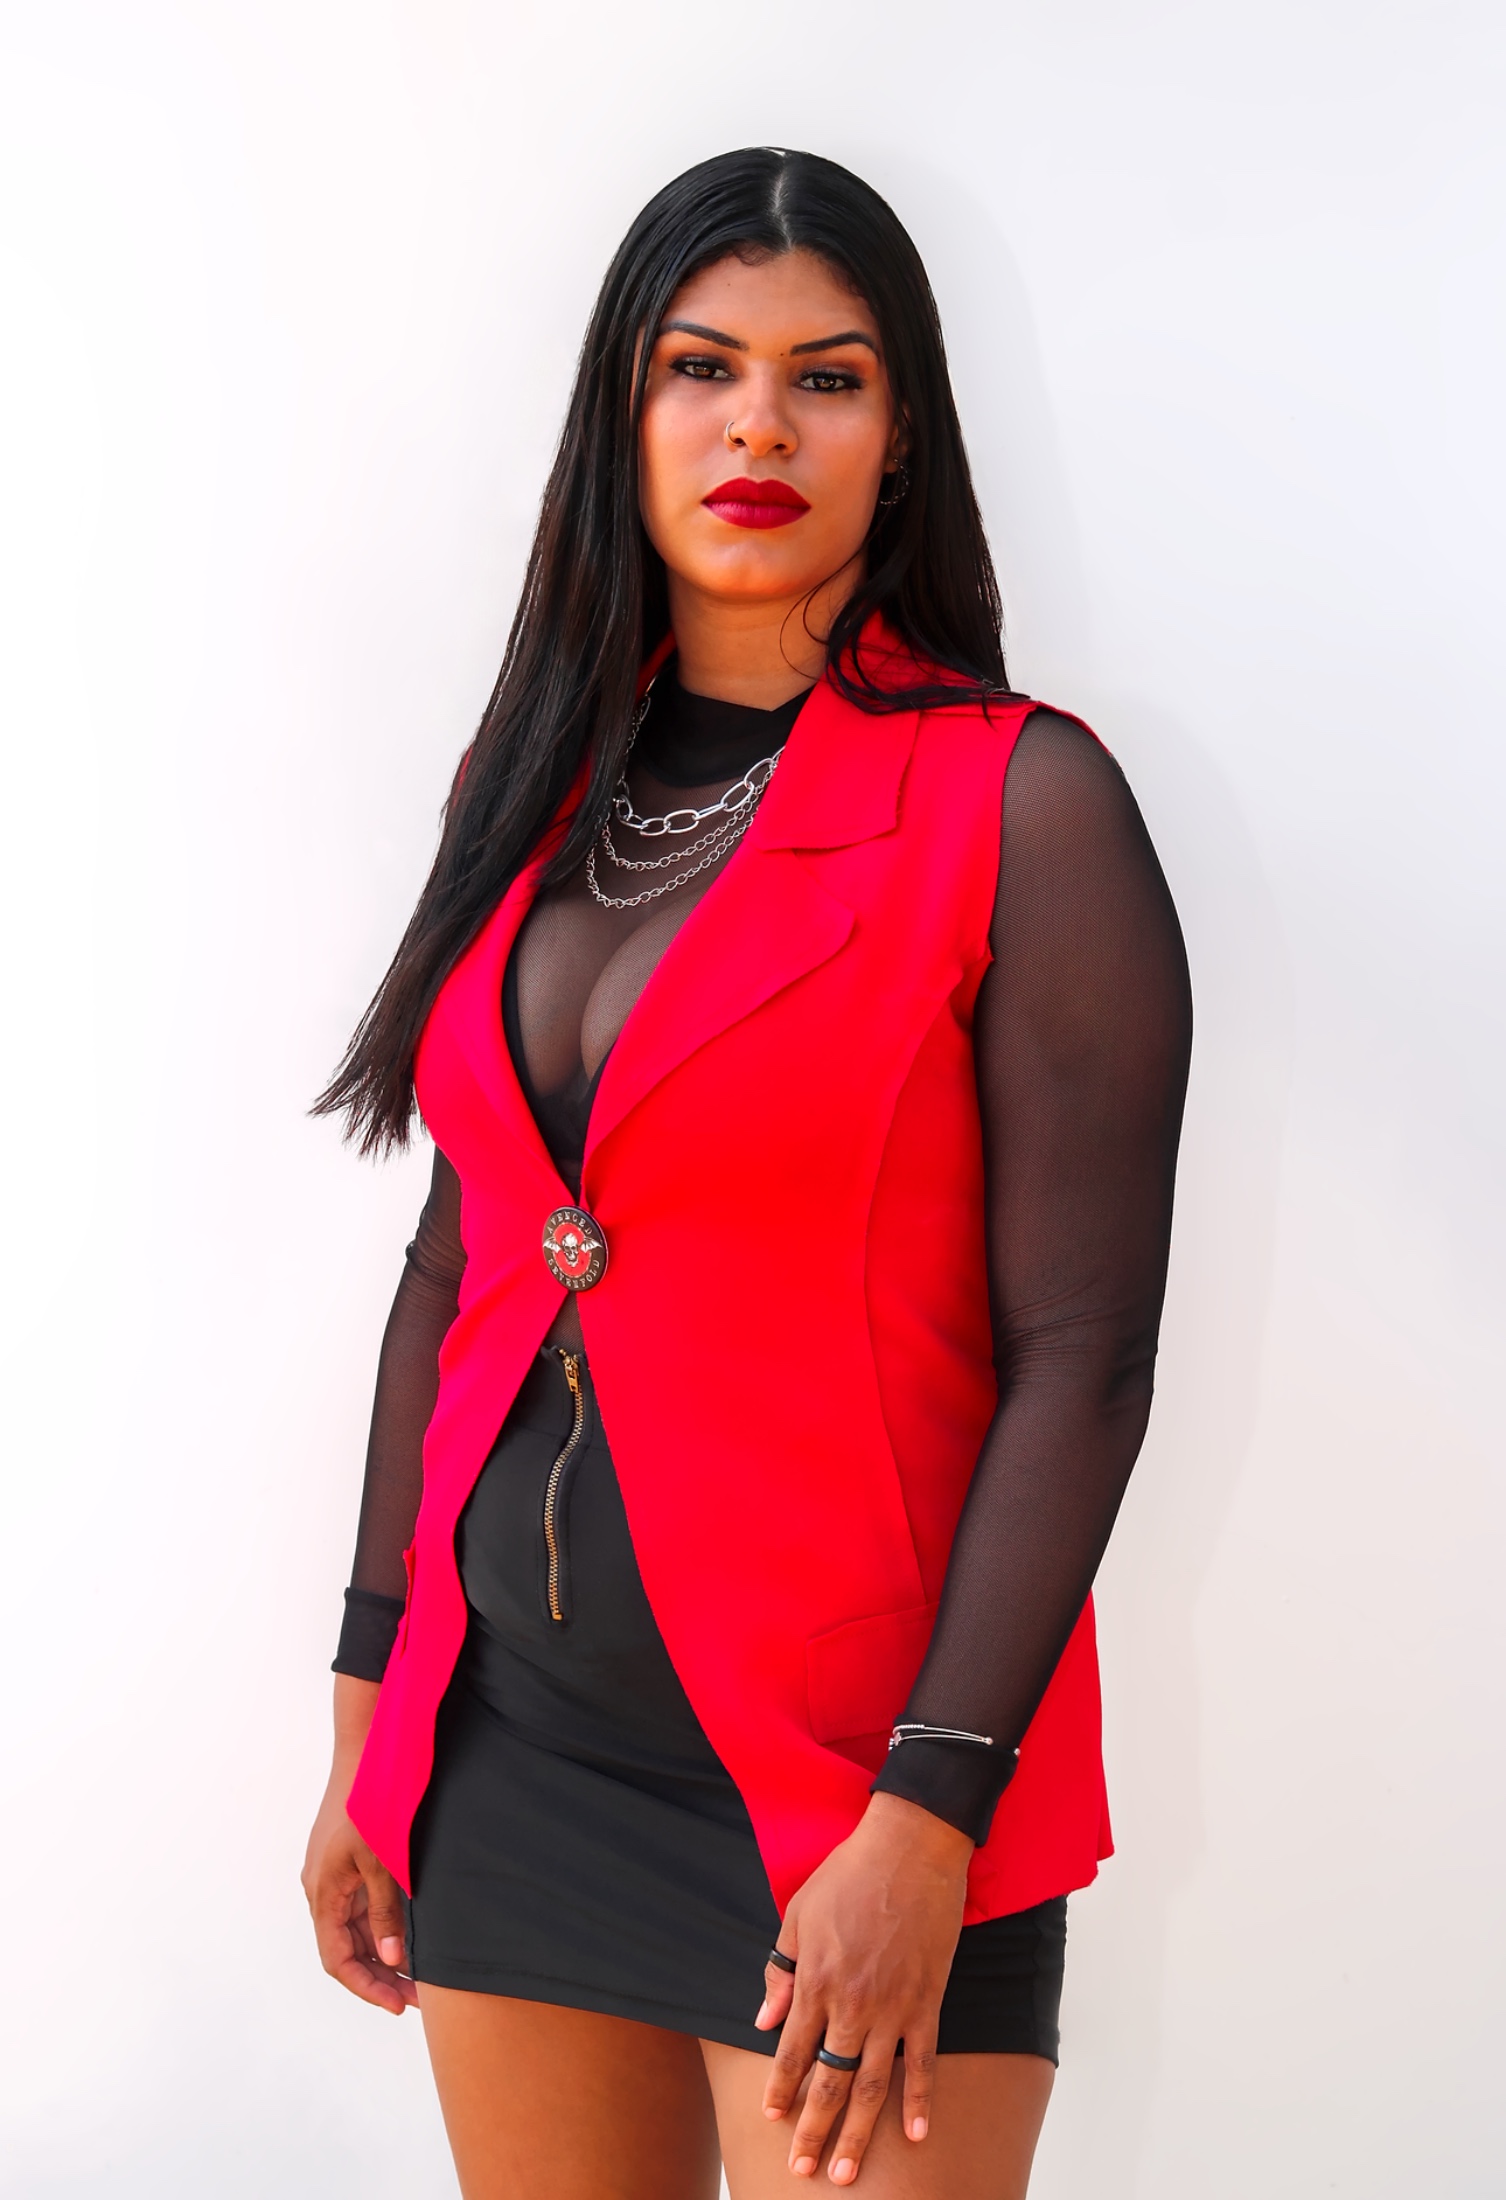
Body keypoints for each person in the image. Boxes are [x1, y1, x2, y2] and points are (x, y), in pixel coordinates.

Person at [301, 146, 1192, 2200]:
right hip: (505, 1750)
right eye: (699, 368)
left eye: (828, 377)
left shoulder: (1022, 803)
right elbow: (457, 1266)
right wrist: (369, 1709)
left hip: (857, 1794)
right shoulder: (523, 786)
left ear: (905, 434)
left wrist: (931, 1818)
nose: (759, 427)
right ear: (621, 413)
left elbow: (1086, 1353)